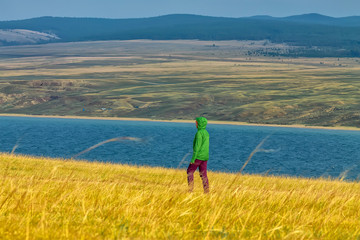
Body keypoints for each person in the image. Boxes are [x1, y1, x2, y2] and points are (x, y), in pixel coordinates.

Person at [187, 117, 210, 193]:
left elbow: (197, 147)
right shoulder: (206, 133)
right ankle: (206, 191)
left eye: (196, 122)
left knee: (189, 171)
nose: (195, 124)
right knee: (203, 174)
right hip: (205, 157)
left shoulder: (199, 133)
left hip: (198, 156)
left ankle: (190, 190)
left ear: (199, 123)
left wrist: (193, 159)